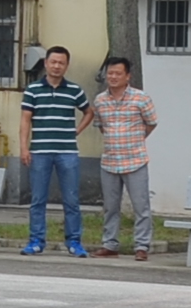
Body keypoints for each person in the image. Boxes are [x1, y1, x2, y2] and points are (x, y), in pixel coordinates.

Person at [84, 54, 160, 261]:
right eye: (110, 73)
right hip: (109, 161)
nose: (113, 77)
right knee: (110, 206)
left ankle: (142, 246)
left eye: (118, 73)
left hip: (135, 160)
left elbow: (151, 123)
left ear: (128, 76)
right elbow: (100, 126)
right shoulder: (100, 100)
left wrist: (135, 139)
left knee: (141, 206)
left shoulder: (141, 98)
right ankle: (110, 244)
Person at [16, 45, 89, 256]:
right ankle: (36, 240)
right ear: (46, 63)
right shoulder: (32, 90)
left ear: (67, 66)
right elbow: (25, 121)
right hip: (39, 151)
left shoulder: (74, 90)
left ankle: (74, 242)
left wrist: (77, 131)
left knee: (71, 199)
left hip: (67, 152)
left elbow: (88, 112)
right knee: (38, 199)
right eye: (53, 62)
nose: (57, 66)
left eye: (61, 63)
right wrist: (23, 148)